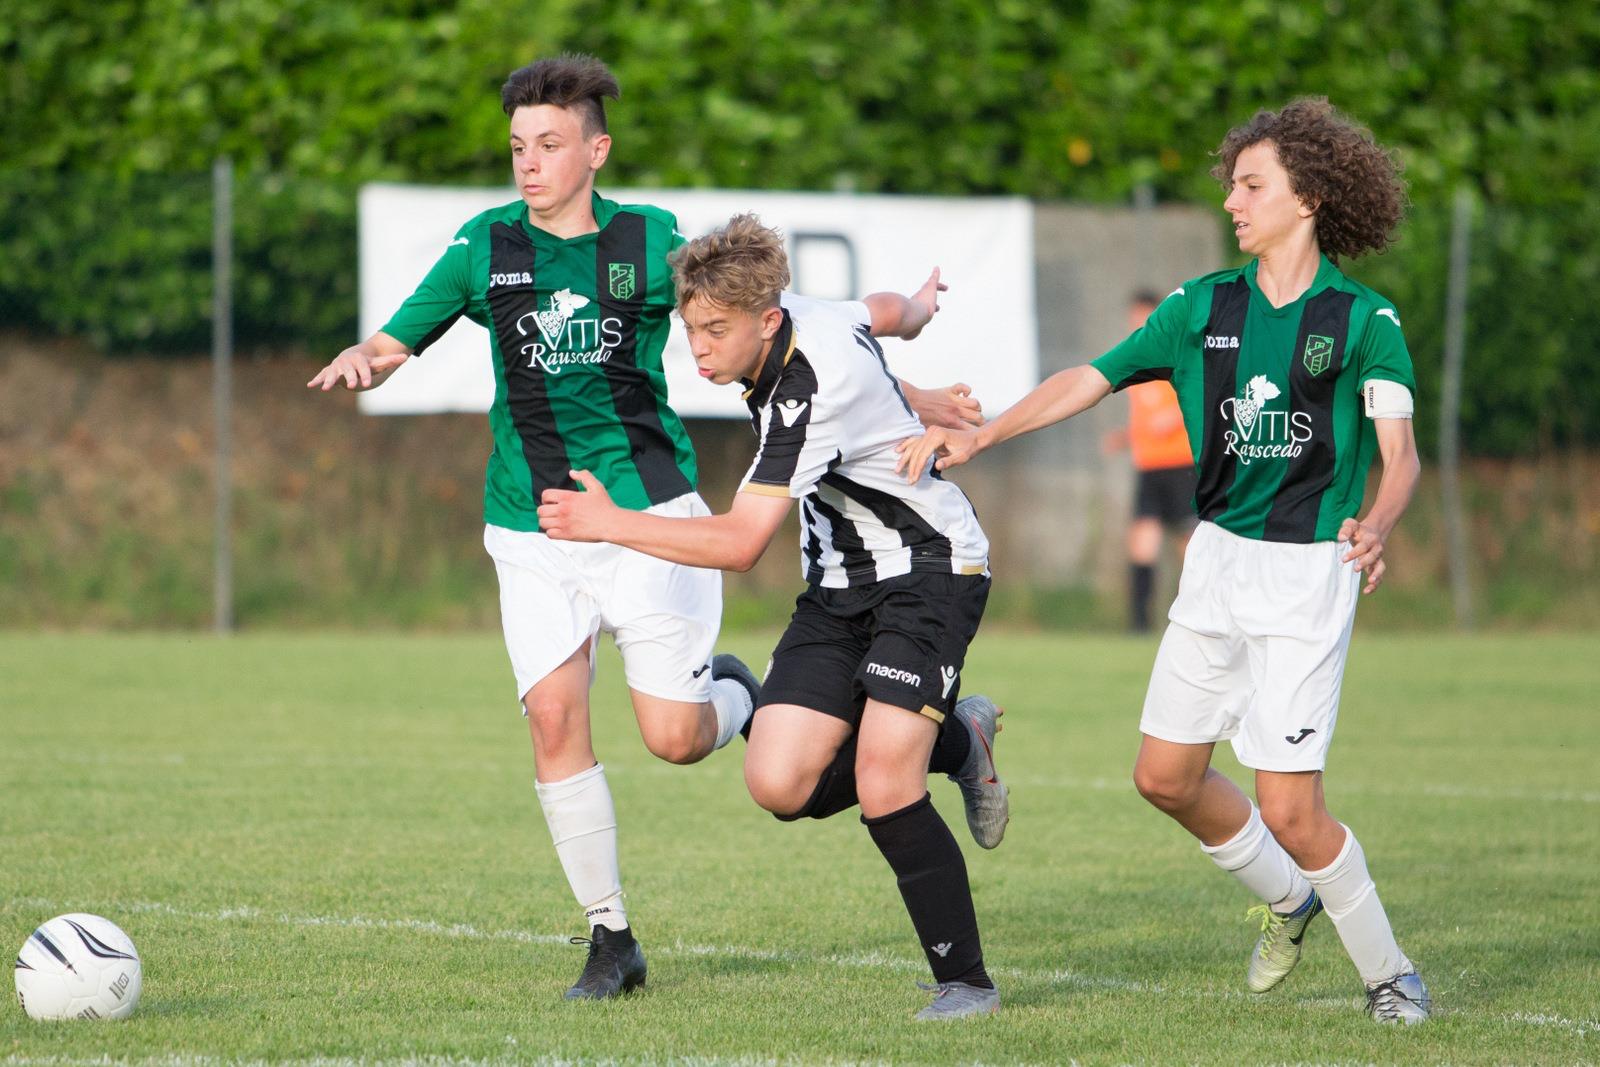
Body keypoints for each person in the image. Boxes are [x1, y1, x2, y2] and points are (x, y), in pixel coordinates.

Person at [307, 55, 982, 1001]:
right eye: (516, 147)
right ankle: (610, 939)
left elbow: (777, 332)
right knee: (553, 718)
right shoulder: (482, 246)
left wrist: (906, 355)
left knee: (672, 737)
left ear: (596, 149)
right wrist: (367, 359)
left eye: (548, 144)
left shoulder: (647, 243)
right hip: (531, 524)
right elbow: (395, 337)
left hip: (648, 512)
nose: (528, 164)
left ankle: (736, 696)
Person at [896, 98, 1430, 1024]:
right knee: (1163, 777)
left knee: (1294, 811)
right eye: (1232, 185)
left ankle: (1392, 975)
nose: (1233, 200)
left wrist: (1378, 520)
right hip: (1216, 560)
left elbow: (1402, 453)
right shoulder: (1199, 307)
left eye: (1251, 184)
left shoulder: (1362, 319)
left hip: (1308, 573)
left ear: (1307, 198)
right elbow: (1087, 379)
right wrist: (985, 434)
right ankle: (1290, 898)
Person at [537, 214, 1008, 1021]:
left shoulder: (804, 390)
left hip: (929, 569)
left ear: (765, 318)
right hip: (836, 586)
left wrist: (608, 523)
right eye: (691, 329)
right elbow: (879, 310)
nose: (700, 347)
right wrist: (920, 313)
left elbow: (742, 542)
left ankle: (966, 980)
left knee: (884, 779)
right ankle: (960, 735)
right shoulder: (799, 317)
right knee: (779, 782)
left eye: (716, 330)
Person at [1102, 290, 1197, 632]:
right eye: (1133, 320)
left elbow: (1200, 399)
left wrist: (1172, 418)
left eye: (1143, 319)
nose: (1137, 326)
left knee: (1189, 543)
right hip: (1149, 466)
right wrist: (1125, 437)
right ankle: (1139, 624)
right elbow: (1145, 418)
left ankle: (1193, 616)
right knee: (1143, 540)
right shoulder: (1138, 364)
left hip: (1180, 464)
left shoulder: (1179, 354)